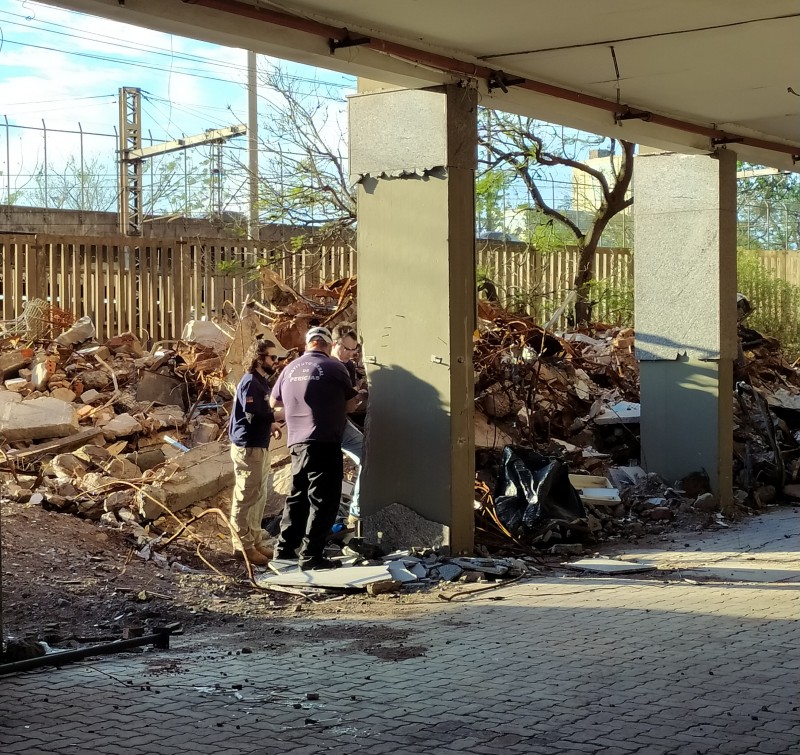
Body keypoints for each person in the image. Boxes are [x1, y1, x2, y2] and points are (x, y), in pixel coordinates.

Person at [269, 326, 358, 570]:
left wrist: (297, 405)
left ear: (308, 344)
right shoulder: (334, 367)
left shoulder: (289, 368)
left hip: (297, 441)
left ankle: (284, 550)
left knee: (298, 496)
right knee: (324, 499)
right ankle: (311, 556)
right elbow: (350, 406)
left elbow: (273, 402)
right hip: (325, 440)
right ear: (328, 346)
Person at [228, 339, 283, 566]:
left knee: (258, 495)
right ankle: (242, 545)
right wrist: (280, 416)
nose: (276, 362)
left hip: (259, 444)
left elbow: (260, 413)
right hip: (248, 447)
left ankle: (254, 539)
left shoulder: (260, 381)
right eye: (272, 357)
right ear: (259, 359)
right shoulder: (250, 382)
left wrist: (271, 424)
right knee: (245, 496)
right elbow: (252, 414)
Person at [330, 323, 366, 524]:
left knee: (367, 455)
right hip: (322, 427)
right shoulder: (323, 363)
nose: (349, 354)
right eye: (345, 348)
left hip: (342, 423)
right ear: (334, 344)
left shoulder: (349, 366)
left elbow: (349, 402)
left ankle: (355, 513)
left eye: (353, 350)